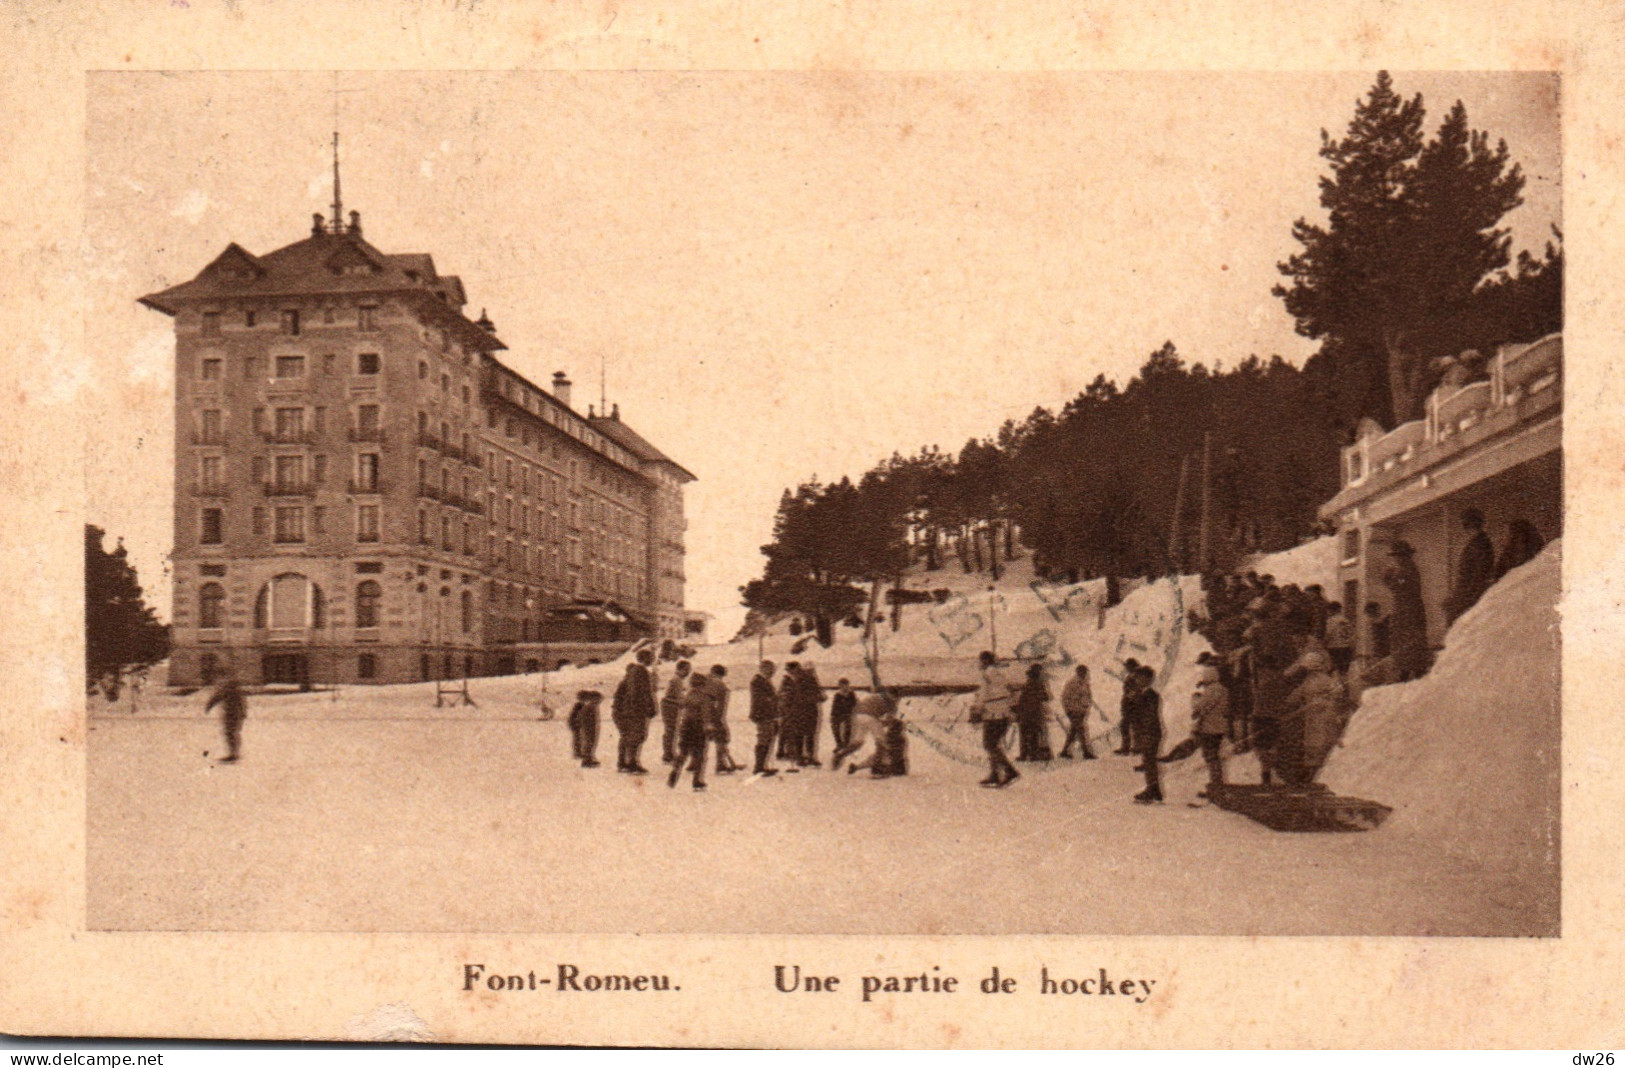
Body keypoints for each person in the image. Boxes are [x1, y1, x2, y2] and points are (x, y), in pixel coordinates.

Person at [1383, 540, 1431, 681]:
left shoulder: (1405, 570)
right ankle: (1411, 673)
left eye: (1397, 556)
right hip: (1409, 613)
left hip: (1408, 614)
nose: (1395, 559)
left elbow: (1399, 589)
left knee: (1408, 647)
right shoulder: (1408, 569)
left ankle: (1409, 675)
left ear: (1403, 556)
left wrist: (1387, 579)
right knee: (1410, 647)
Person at [973, 651, 1020, 788]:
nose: (979, 663)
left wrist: (977, 710)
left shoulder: (986, 675)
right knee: (994, 743)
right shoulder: (1000, 674)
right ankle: (995, 774)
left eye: (981, 660)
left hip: (992, 713)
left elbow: (982, 695)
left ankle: (1009, 771)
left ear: (985, 661)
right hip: (1003, 713)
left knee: (989, 744)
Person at [1445, 508, 1496, 625]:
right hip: (1466, 592)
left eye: (1467, 521)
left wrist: (1464, 597)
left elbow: (1479, 574)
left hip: (1471, 594)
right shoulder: (1475, 542)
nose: (1464, 525)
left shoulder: (1481, 543)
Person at [611, 648, 657, 774]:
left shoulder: (632, 671)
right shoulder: (641, 671)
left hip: (625, 710)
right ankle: (631, 763)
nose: (653, 659)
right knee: (637, 736)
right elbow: (642, 692)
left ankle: (622, 763)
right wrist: (649, 707)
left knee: (626, 737)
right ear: (645, 658)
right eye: (651, 657)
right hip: (635, 710)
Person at [1124, 665, 1164, 803]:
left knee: (1149, 761)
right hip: (1148, 732)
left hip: (1150, 732)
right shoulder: (1142, 694)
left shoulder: (1151, 695)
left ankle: (1151, 790)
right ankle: (1155, 790)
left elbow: (1148, 715)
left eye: (1140, 677)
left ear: (1147, 679)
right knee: (1149, 760)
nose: (1137, 680)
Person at [668, 671, 711, 791]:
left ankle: (675, 771)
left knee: (683, 752)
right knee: (699, 755)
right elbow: (705, 715)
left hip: (685, 726)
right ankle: (697, 781)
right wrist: (708, 728)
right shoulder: (704, 698)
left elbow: (681, 705)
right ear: (702, 685)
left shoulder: (688, 695)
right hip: (698, 728)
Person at [839, 690, 896, 776]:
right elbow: (888, 720)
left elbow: (859, 706)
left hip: (859, 715)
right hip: (870, 717)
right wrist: (884, 723)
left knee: (859, 741)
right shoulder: (891, 702)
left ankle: (841, 753)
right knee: (881, 742)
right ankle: (877, 768)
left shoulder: (875, 695)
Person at [704, 664, 742, 774]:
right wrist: (719, 719)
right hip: (714, 715)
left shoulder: (703, 682)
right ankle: (721, 764)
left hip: (698, 715)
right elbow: (720, 705)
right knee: (722, 738)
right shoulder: (719, 685)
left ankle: (693, 764)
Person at [1014, 662, 1054, 761]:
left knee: (1026, 734)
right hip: (1035, 713)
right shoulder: (1039, 684)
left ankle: (1025, 755)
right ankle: (1032, 755)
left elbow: (1023, 699)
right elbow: (1047, 697)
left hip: (1026, 713)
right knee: (1034, 734)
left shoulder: (1029, 684)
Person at [204, 673, 247, 763]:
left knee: (230, 733)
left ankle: (233, 754)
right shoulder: (236, 691)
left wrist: (209, 706)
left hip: (231, 714)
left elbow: (216, 698)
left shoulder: (228, 690)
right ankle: (234, 753)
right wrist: (243, 714)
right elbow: (242, 704)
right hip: (234, 714)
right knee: (232, 733)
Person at [748, 660, 781, 777]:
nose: (773, 672)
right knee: (764, 738)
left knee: (767, 738)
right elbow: (761, 699)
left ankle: (762, 766)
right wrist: (773, 699)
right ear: (764, 669)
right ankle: (759, 767)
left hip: (767, 714)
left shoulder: (764, 680)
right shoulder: (758, 681)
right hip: (763, 714)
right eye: (771, 670)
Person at [1058, 664, 1096, 760]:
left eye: (1085, 672)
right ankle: (1086, 752)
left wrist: (1086, 709)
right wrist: (1069, 711)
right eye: (1082, 672)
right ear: (1078, 672)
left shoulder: (1085, 683)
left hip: (1081, 711)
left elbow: (1088, 697)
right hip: (1074, 711)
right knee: (1081, 730)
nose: (1084, 674)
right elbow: (1064, 698)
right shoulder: (1072, 683)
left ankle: (1064, 751)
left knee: (1073, 731)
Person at [659, 659, 692, 765]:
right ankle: (668, 755)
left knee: (671, 731)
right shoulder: (677, 680)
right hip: (670, 706)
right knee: (671, 731)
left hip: (669, 705)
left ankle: (669, 754)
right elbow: (679, 698)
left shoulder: (676, 679)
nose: (688, 672)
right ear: (681, 669)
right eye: (687, 670)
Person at [567, 689, 602, 768]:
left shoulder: (589, 707)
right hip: (586, 728)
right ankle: (586, 759)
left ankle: (583, 755)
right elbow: (580, 718)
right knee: (586, 742)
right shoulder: (588, 707)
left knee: (585, 741)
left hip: (586, 727)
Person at [1115, 658, 1142, 755]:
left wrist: (1130, 697)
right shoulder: (1132, 676)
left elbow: (1136, 691)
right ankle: (1128, 747)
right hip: (1129, 705)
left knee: (1133, 726)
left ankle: (1134, 747)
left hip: (1132, 705)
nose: (1126, 668)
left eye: (1127, 666)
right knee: (1126, 726)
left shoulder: (1136, 676)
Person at [1323, 601, 1355, 677]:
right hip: (1346, 647)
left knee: (1333, 668)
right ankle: (1345, 684)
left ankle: (1335, 685)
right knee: (1344, 670)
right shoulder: (1346, 620)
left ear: (1331, 610)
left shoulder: (1331, 621)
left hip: (1334, 646)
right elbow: (1352, 634)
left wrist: (1324, 642)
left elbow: (1329, 633)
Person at [829, 678, 857, 753]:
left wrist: (846, 700)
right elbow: (834, 706)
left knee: (848, 727)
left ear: (847, 685)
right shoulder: (837, 694)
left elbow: (853, 704)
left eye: (845, 685)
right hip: (837, 714)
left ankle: (846, 744)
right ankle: (839, 744)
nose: (844, 687)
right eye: (841, 685)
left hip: (847, 713)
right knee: (835, 728)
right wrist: (832, 716)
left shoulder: (851, 694)